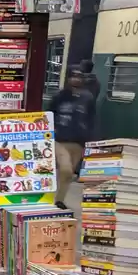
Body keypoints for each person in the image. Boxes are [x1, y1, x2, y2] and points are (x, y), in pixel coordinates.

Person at [49, 64, 98, 208]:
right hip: (59, 140)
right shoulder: (59, 96)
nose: (76, 79)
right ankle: (53, 198)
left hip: (78, 143)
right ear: (68, 77)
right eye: (73, 76)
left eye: (79, 76)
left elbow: (92, 119)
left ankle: (59, 200)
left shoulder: (88, 98)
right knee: (66, 169)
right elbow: (49, 114)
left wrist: (91, 140)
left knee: (67, 175)